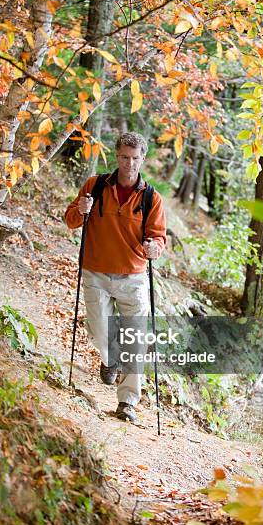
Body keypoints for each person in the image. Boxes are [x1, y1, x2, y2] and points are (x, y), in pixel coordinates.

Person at [64, 132, 166, 422]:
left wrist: (153, 247)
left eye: (135, 158)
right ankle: (110, 360)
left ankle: (128, 403)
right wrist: (80, 210)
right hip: (95, 271)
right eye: (124, 157)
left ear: (142, 159)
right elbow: (70, 220)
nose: (129, 163)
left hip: (133, 278)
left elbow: (158, 237)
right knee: (98, 331)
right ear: (116, 156)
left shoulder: (151, 198)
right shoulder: (95, 186)